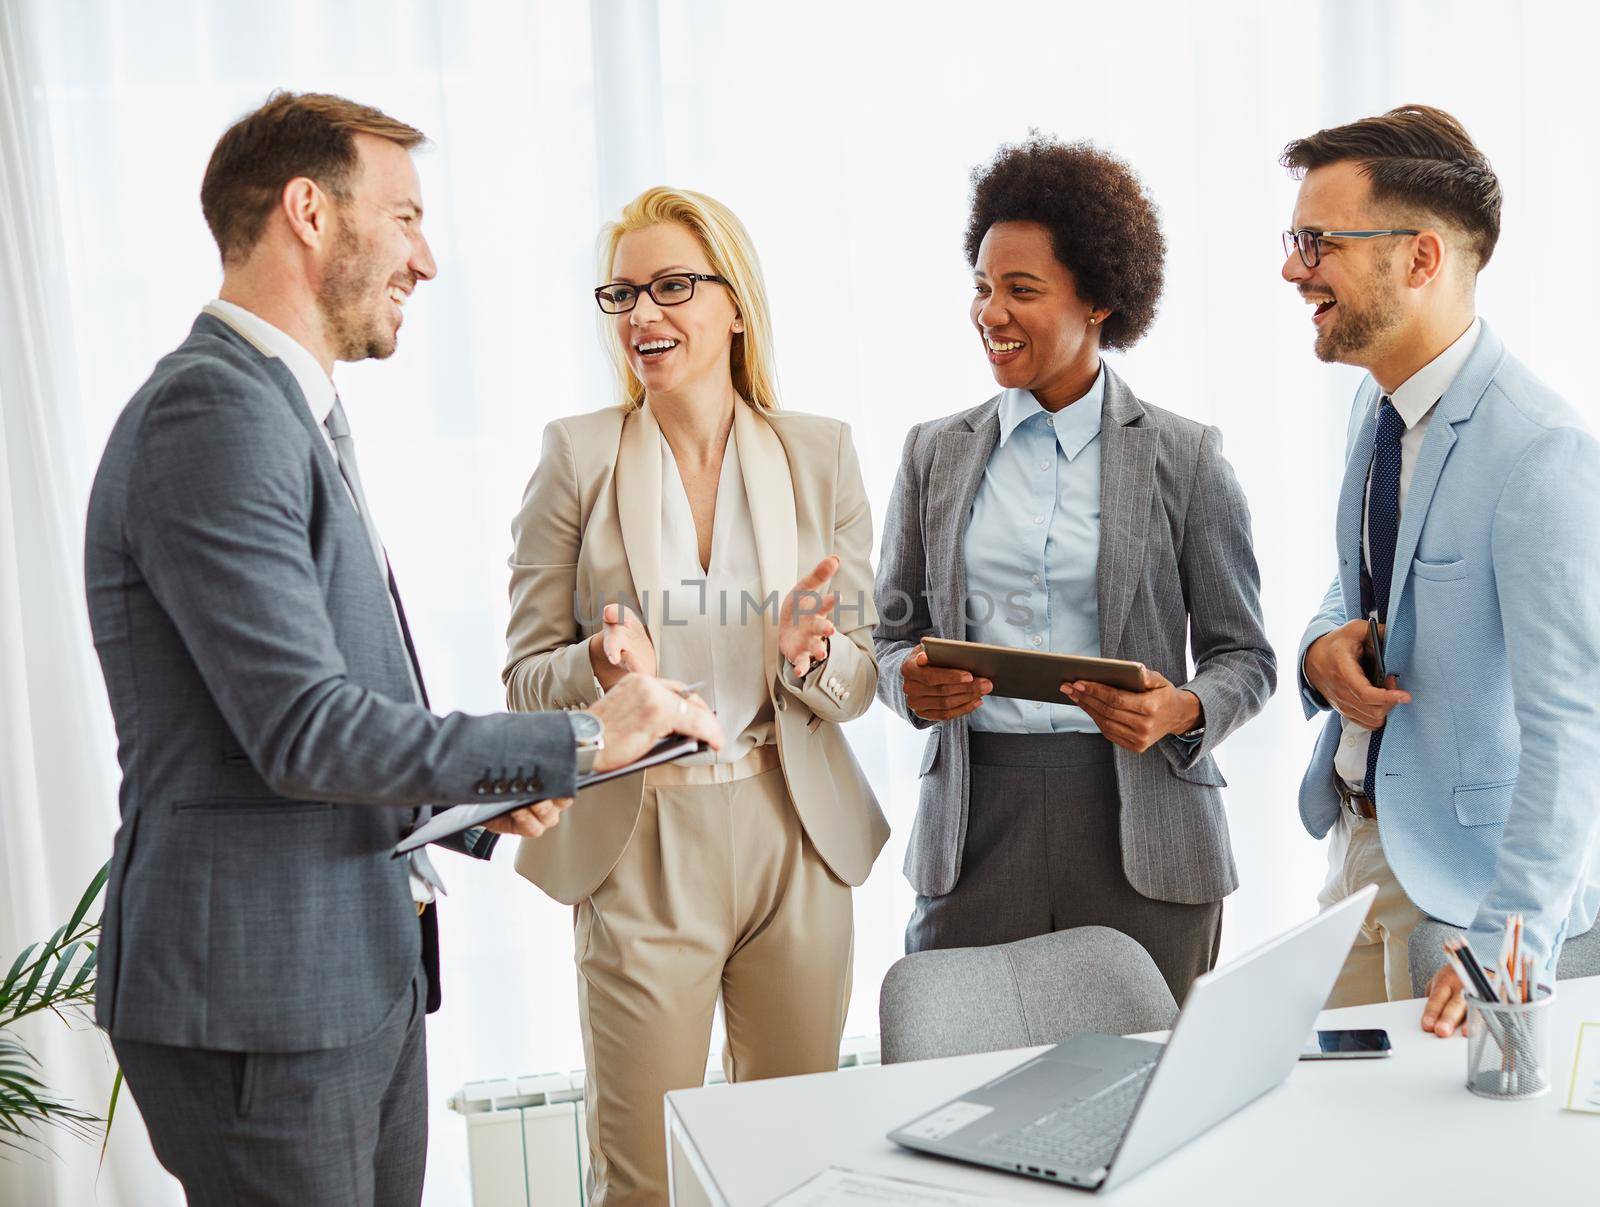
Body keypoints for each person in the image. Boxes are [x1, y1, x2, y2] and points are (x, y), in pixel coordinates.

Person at [83, 92, 720, 1207]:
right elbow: (301, 730)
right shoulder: (214, 415)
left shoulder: (282, 411)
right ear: (308, 212)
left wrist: (473, 804)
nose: (425, 258)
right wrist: (579, 734)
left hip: (340, 974)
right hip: (265, 1003)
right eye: (407, 216)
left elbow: (306, 717)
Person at [502, 185, 887, 1206]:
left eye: (671, 285)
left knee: (795, 1163)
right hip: (644, 836)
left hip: (792, 827)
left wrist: (811, 656)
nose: (641, 315)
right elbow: (523, 675)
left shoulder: (821, 451)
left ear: (735, 305)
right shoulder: (577, 454)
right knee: (648, 1178)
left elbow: (859, 678)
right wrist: (597, 663)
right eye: (621, 293)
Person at [873, 136, 1275, 1003]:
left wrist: (1182, 707)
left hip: (1142, 824)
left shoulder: (1184, 456)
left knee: (1146, 1105)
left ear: (1097, 299)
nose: (991, 313)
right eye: (983, 287)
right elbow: (889, 635)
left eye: (1022, 290)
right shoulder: (933, 453)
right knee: (963, 1088)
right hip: (979, 820)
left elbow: (1247, 656)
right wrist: (906, 682)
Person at [1282, 104, 1600, 1036]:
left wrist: (1511, 944)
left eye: (1317, 241)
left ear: (1419, 258)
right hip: (1356, 850)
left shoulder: (1541, 453)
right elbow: (1369, 584)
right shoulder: (1375, 412)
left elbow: (1571, 727)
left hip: (1464, 901)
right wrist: (1317, 651)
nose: (1294, 268)